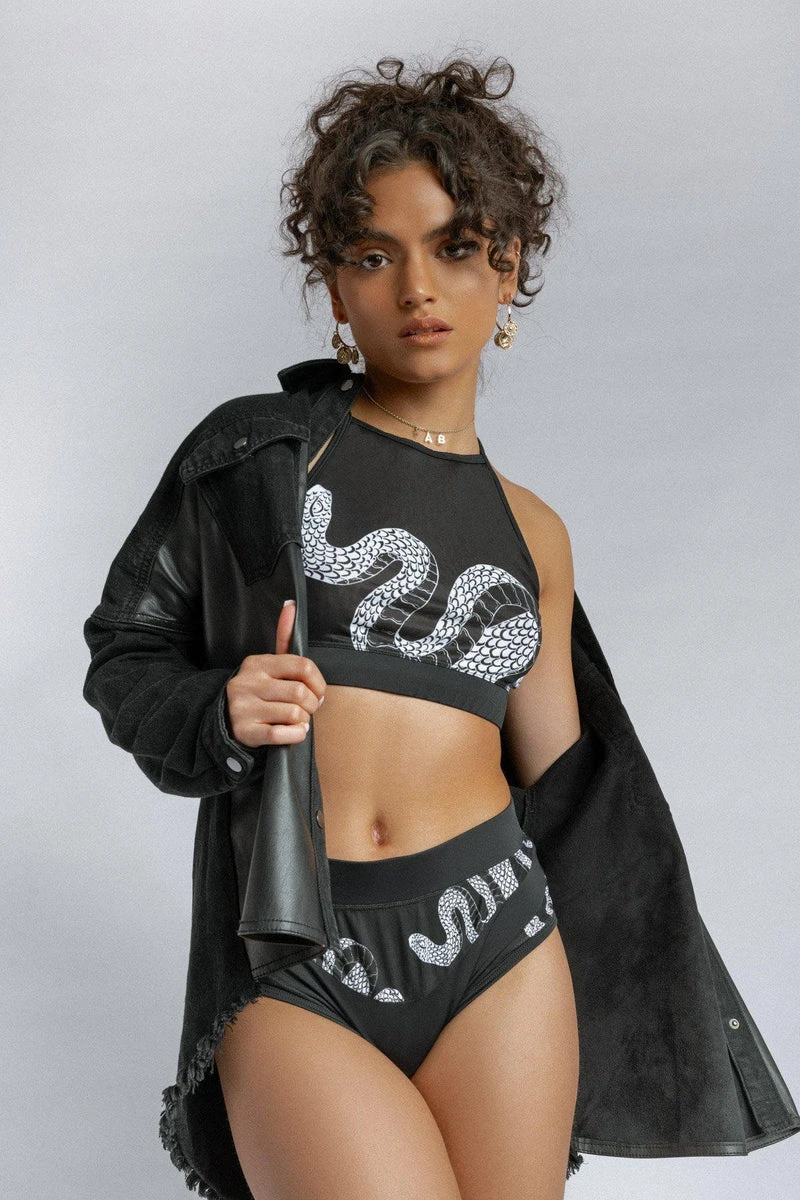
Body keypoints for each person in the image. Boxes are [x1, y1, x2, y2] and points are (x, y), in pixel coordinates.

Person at [82, 54, 799, 1200]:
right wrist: (217, 708)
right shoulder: (260, 457)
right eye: (375, 255)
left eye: (455, 246)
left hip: (498, 948)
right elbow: (126, 649)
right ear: (335, 287)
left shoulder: (533, 535)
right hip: (297, 952)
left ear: (506, 265)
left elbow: (567, 790)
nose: (418, 286)